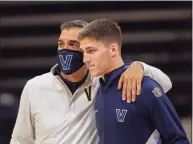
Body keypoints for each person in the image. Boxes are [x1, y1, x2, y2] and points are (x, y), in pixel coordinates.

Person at [10, 20, 172, 144]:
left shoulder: (102, 83)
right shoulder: (34, 86)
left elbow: (166, 84)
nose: (65, 49)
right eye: (61, 44)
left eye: (73, 44)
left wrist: (140, 66)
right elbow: (20, 140)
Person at [78, 19, 189, 144]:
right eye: (83, 52)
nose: (85, 59)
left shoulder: (145, 87)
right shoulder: (98, 90)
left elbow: (178, 140)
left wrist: (139, 66)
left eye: (91, 51)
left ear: (113, 50)